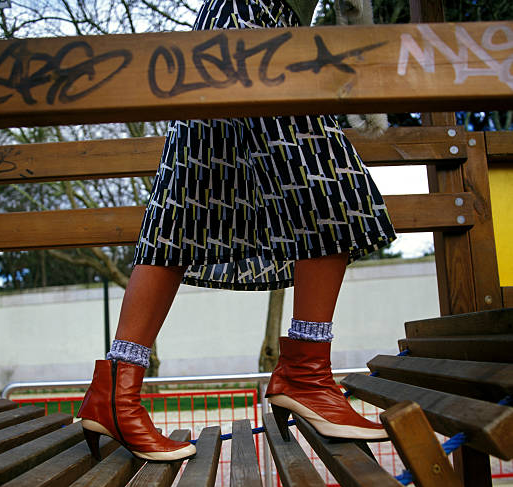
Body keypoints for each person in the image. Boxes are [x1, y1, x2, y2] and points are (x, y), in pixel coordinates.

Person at [77, 0, 396, 462]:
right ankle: (305, 374)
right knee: (330, 185)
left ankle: (114, 394)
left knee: (183, 205)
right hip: (253, 25)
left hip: (230, 29)